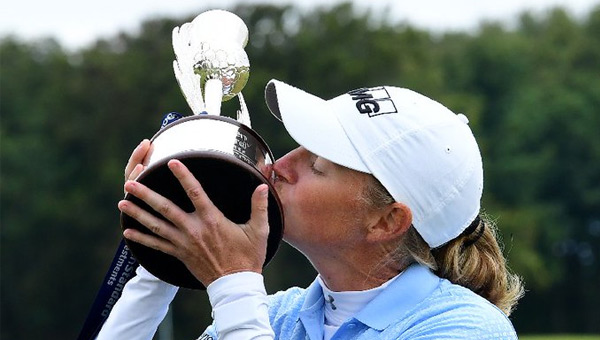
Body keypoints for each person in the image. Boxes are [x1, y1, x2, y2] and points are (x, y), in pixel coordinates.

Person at [97, 79, 524, 340]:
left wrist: (233, 282)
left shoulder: (466, 330)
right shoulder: (277, 316)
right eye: (298, 149)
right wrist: (161, 249)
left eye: (317, 165)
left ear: (387, 221)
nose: (279, 167)